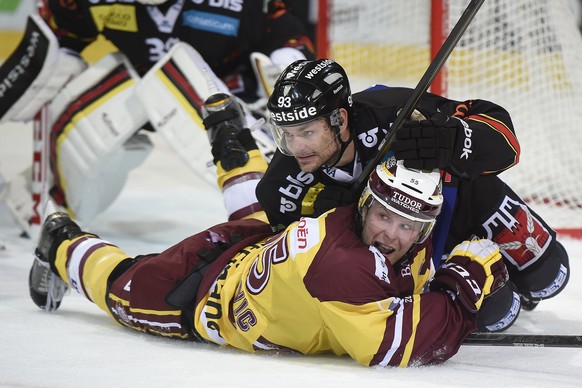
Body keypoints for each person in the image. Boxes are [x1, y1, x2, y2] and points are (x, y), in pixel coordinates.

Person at [206, 58, 570, 333]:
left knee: (551, 274)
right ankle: (232, 145)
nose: (295, 147)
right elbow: (294, 269)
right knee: (496, 313)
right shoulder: (280, 188)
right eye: (285, 133)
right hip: (407, 245)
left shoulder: (393, 112)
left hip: (466, 207)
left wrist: (452, 141)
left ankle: (525, 282)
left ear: (341, 120)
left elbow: (504, 140)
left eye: (306, 131)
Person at [28, 160, 508, 367]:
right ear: (366, 207)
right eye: (384, 216)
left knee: (259, 211)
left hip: (261, 246)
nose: (391, 234)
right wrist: (463, 282)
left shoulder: (363, 229)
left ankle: (232, 145)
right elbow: (396, 348)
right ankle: (62, 241)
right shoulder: (343, 268)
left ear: (424, 230)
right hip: (198, 296)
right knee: (118, 287)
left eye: (407, 226)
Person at [0, 0, 314, 231]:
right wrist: (54, 60)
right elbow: (64, 34)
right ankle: (41, 193)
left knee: (181, 68)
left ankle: (276, 205)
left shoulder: (240, 6)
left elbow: (285, 32)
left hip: (230, 102)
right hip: (136, 95)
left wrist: (288, 63)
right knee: (100, 94)